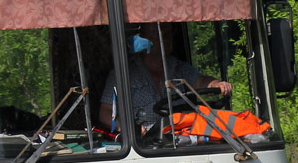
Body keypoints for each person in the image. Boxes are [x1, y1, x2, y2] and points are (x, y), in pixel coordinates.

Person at [98, 22, 231, 133]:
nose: (165, 40)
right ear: (143, 38)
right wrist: (132, 130)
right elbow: (105, 112)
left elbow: (200, 81)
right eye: (157, 35)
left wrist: (216, 84)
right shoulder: (122, 74)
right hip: (143, 146)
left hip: (183, 137)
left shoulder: (179, 68)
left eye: (167, 35)